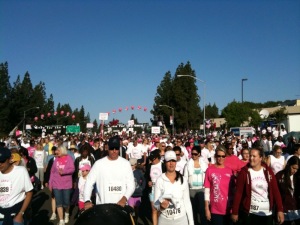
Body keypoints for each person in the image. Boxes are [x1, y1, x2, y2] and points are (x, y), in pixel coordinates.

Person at [231, 147, 284, 225]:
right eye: (250, 156)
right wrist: (235, 211)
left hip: (266, 213)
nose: (251, 158)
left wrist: (280, 210)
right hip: (251, 213)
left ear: (260, 158)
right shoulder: (244, 172)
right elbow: (238, 193)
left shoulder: (268, 171)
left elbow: (275, 191)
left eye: (254, 156)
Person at [84, 136, 135, 209]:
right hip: (102, 208)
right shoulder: (98, 164)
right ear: (108, 148)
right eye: (112, 148)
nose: (114, 151)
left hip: (120, 208)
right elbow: (89, 183)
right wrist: (87, 200)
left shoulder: (126, 164)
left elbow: (131, 185)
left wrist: (124, 199)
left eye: (116, 148)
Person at [154, 150, 194, 225]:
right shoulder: (159, 180)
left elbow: (187, 202)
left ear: (176, 162)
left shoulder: (183, 180)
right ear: (165, 162)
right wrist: (161, 206)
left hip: (181, 220)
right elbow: (156, 205)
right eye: (168, 161)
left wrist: (191, 222)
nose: (171, 163)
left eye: (173, 161)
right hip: (164, 221)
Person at [0, 147, 33, 225]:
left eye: (2, 161)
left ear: (10, 159)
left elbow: (29, 192)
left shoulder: (21, 171)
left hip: (15, 215)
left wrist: (21, 213)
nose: (0, 164)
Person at [204, 145, 235, 225]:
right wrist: (207, 209)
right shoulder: (209, 170)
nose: (220, 158)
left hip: (229, 209)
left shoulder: (230, 171)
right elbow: (207, 191)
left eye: (223, 156)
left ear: (225, 157)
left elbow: (233, 190)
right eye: (218, 156)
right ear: (215, 156)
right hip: (215, 210)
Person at [49, 145, 75, 225]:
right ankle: (61, 220)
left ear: (63, 151)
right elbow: (52, 172)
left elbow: (72, 169)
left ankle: (67, 213)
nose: (56, 152)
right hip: (56, 184)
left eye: (58, 151)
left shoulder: (69, 158)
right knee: (59, 203)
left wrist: (64, 172)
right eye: (56, 151)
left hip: (66, 184)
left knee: (66, 202)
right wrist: (50, 183)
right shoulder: (56, 160)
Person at [276, 156, 300, 225]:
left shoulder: (298, 176)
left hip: (296, 210)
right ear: (288, 164)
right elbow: (276, 194)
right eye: (293, 168)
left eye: (297, 169)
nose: (295, 171)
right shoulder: (279, 176)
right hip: (284, 210)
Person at [145, 149, 166, 225]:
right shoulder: (150, 166)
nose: (151, 160)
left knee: (160, 209)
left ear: (157, 158)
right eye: (150, 159)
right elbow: (146, 176)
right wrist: (148, 181)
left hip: (161, 190)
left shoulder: (163, 165)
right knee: (154, 209)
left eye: (153, 158)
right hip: (152, 190)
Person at [128, 158, 146, 224]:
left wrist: (141, 188)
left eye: (132, 165)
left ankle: (136, 220)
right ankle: (133, 222)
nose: (131, 166)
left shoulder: (139, 172)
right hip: (130, 195)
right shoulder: (127, 172)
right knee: (131, 210)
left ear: (135, 165)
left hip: (138, 194)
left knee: (136, 210)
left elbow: (144, 180)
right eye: (129, 165)